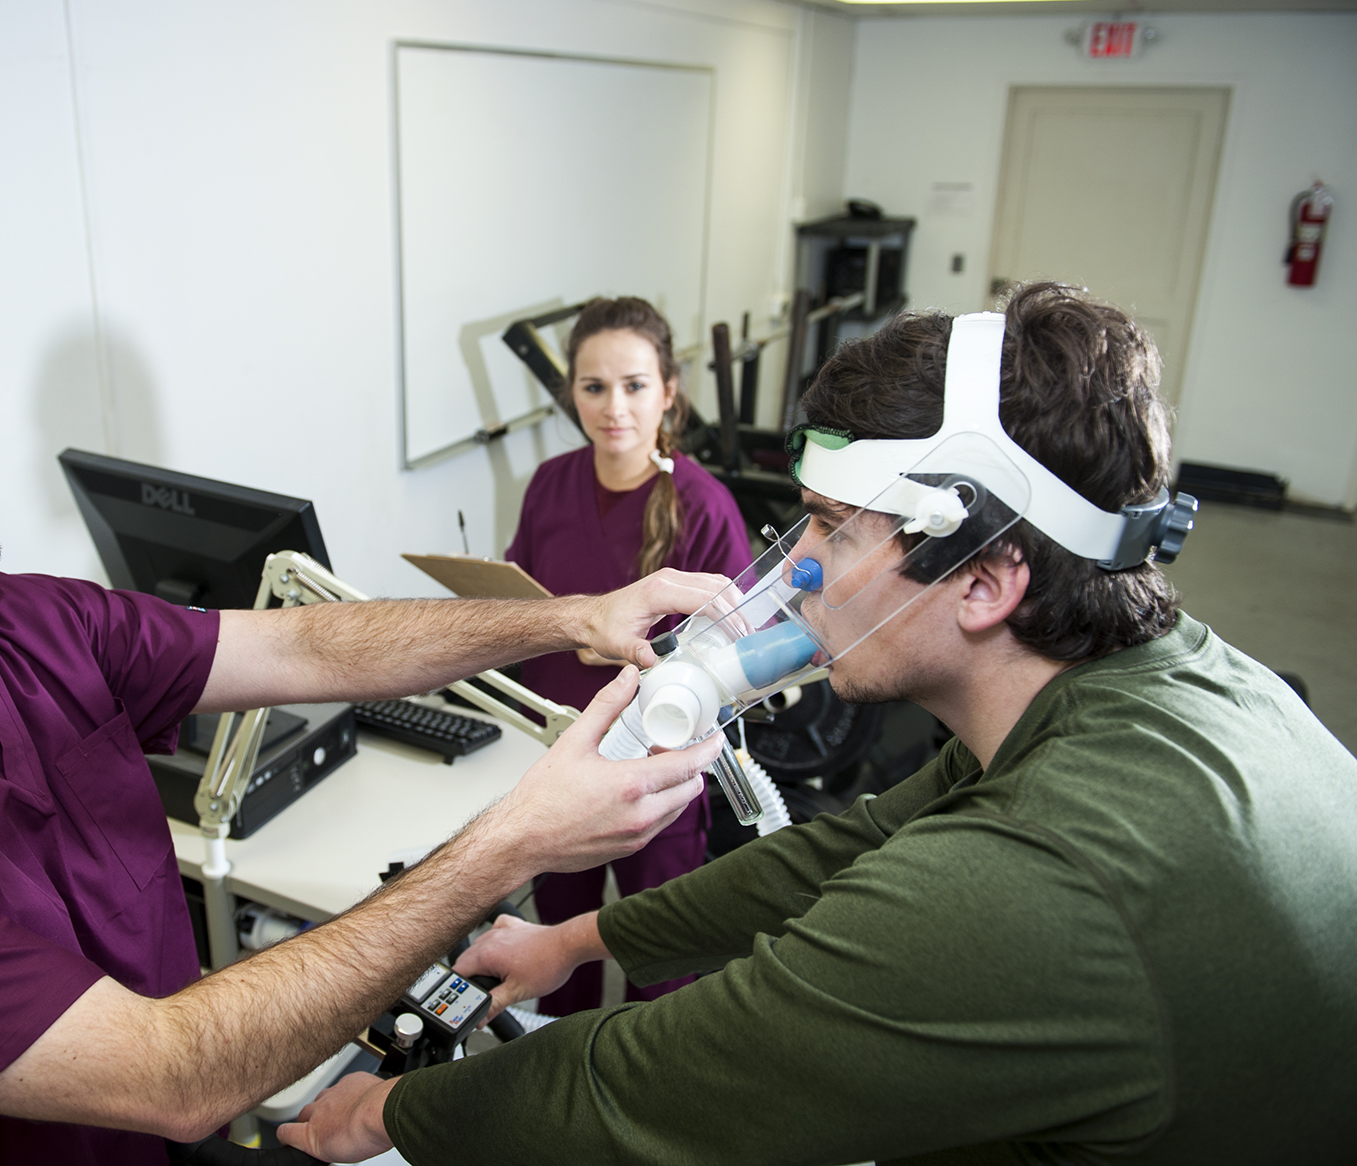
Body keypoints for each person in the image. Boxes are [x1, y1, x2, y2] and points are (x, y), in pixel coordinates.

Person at [0, 264, 730, 1166]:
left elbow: (301, 638)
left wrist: (570, 618)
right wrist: (511, 843)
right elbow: (172, 1073)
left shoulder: (15, 621)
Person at [278, 282, 1357, 1164]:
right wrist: (577, 937)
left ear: (980, 581)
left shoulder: (1027, 880)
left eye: (833, 533)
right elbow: (844, 845)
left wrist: (384, 1116)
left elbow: (649, 1084)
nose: (793, 574)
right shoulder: (1165, 685)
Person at [503, 296, 750, 1015]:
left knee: (660, 965)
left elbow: (738, 651)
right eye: (594, 387)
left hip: (657, 769)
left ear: (668, 392)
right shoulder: (550, 484)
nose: (614, 407)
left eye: (635, 386)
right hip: (557, 759)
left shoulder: (702, 507)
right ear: (572, 393)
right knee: (550, 961)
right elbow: (529, 603)